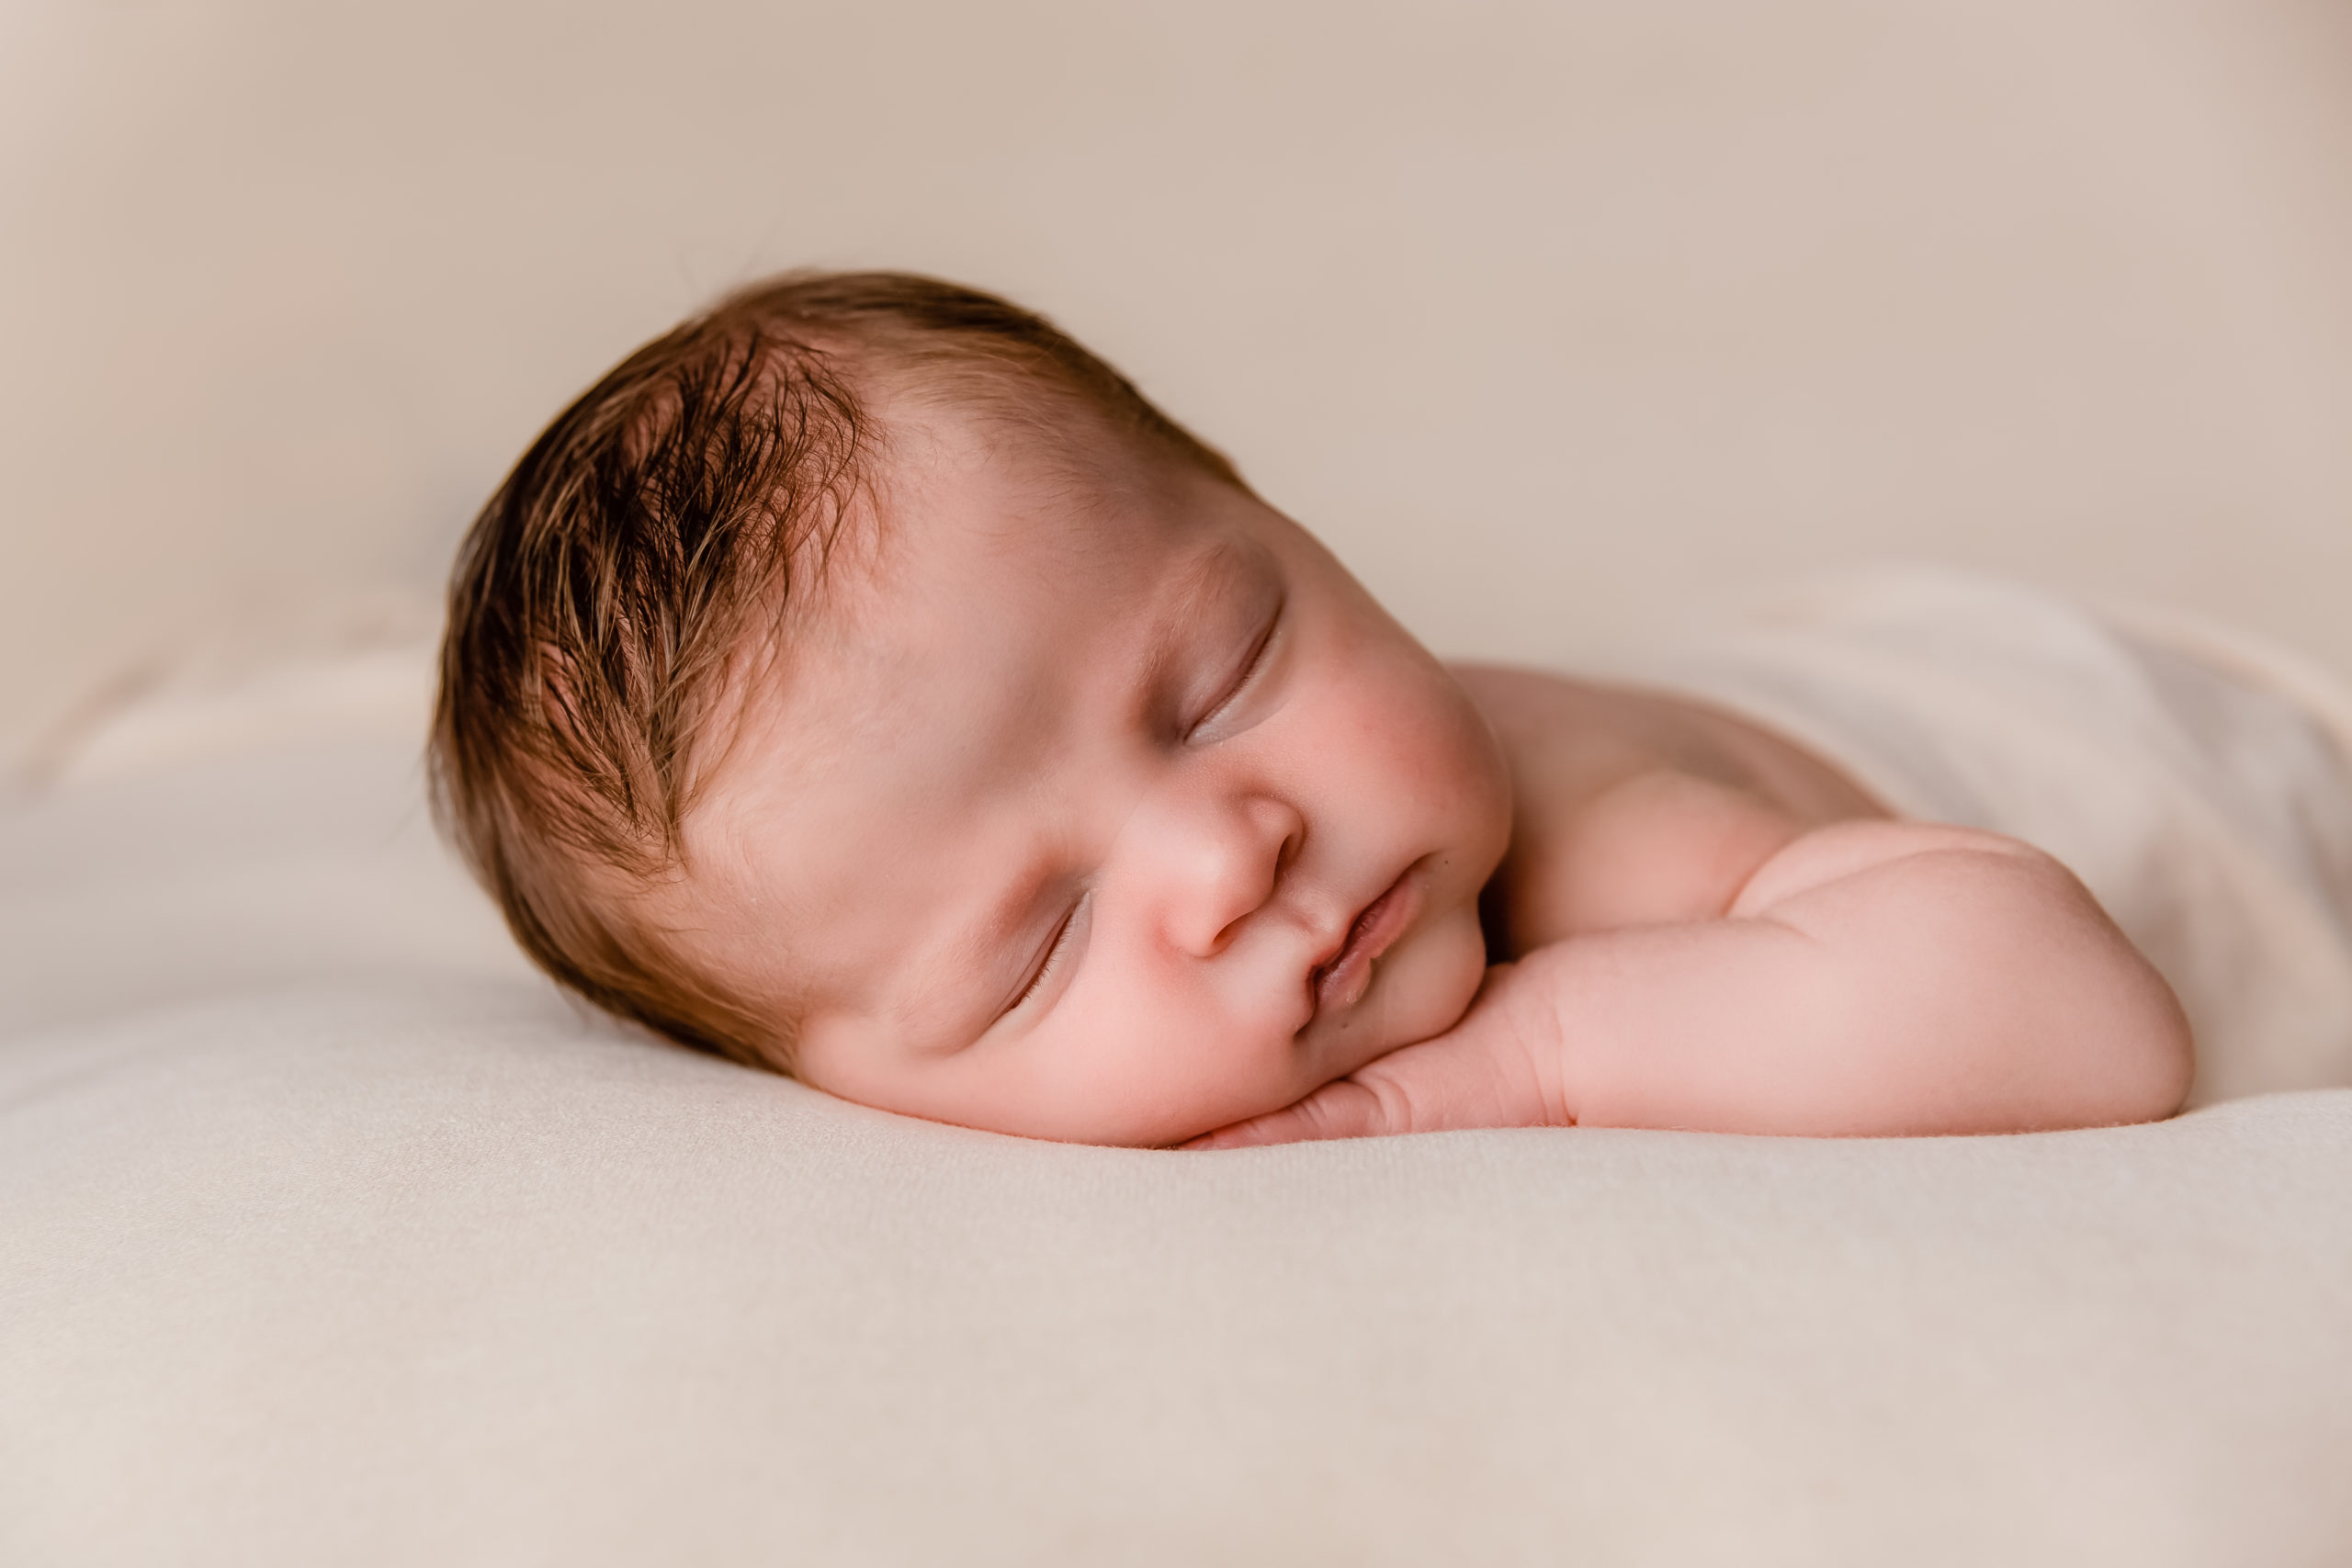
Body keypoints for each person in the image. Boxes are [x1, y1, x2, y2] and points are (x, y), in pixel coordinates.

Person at [431, 270, 2202, 1148]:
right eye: (1037, 945)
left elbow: (2082, 1026)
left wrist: (1532, 1052)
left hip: (2143, 732)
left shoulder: (1603, 839)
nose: (1227, 850)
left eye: (1215, 687)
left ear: (1279, 516)